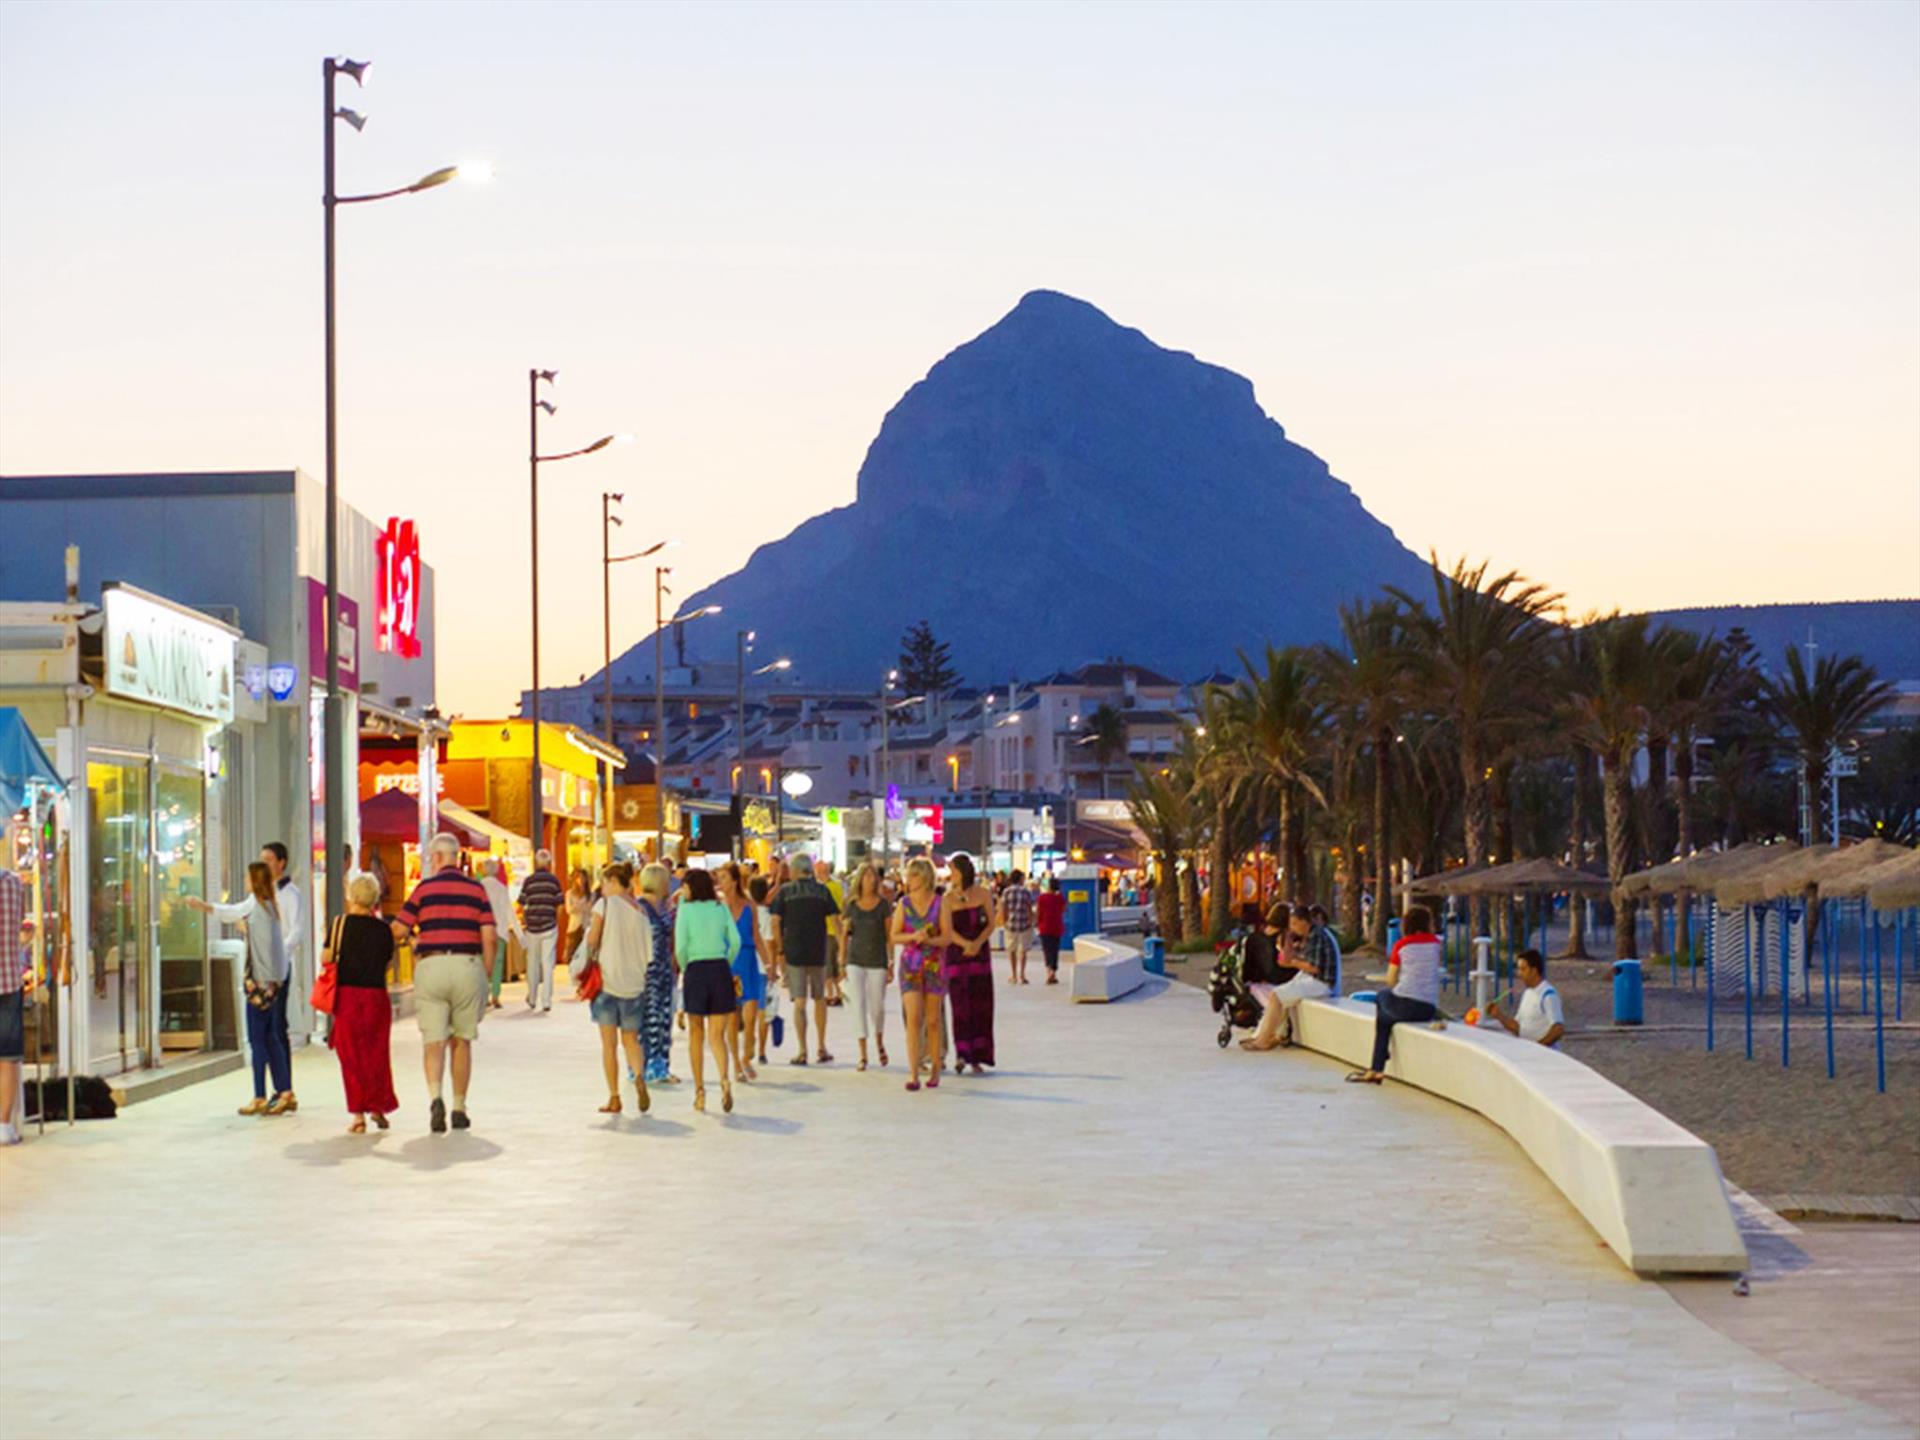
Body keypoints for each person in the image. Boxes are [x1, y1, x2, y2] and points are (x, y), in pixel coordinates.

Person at [391, 832, 496, 1132]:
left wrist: (413, 937)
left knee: (433, 1041)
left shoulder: (424, 890)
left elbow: (399, 929)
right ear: (457, 857)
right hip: (467, 965)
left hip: (432, 965)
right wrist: (486, 976)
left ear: (437, 858)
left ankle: (436, 1097)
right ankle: (459, 1107)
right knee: (462, 1040)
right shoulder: (476, 890)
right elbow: (489, 937)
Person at [186, 862, 293, 1116]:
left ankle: (260, 1094)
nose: (244, 880)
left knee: (258, 1039)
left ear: (254, 880)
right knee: (271, 1037)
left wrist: (205, 907)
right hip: (272, 981)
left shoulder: (257, 906)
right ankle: (284, 1090)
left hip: (259, 983)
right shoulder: (269, 906)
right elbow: (238, 916)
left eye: (247, 877)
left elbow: (234, 914)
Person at [323, 872, 398, 1132]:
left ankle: (358, 1115)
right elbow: (388, 963)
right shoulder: (384, 930)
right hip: (376, 997)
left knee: (351, 1056)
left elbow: (326, 957)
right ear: (374, 898)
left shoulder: (340, 925)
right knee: (376, 1054)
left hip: (348, 996)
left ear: (352, 896)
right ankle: (377, 1106)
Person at [578, 863, 652, 1115]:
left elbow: (593, 939)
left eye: (604, 882)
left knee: (609, 1044)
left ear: (612, 881)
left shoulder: (605, 905)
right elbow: (648, 953)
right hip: (634, 983)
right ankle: (639, 1075)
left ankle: (614, 1096)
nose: (602, 888)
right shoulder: (640, 911)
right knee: (631, 1039)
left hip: (607, 982)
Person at [1348, 905, 1443, 1084]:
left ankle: (1377, 1066)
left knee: (1381, 998)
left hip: (1405, 1006)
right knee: (1384, 1018)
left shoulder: (1401, 945)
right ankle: (1377, 1065)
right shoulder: (1436, 944)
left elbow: (1390, 979)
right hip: (1428, 1008)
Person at [673, 868, 740, 1113]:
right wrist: (726, 962)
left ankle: (700, 1091)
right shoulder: (720, 908)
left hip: (696, 969)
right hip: (719, 968)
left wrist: (685, 967)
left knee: (696, 1034)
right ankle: (724, 1079)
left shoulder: (686, 910)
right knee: (717, 1036)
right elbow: (735, 942)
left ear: (692, 887)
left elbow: (680, 947)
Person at [771, 853, 840, 1065]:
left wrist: (780, 949)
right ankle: (821, 1046)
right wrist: (841, 948)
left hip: (794, 951)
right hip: (818, 950)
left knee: (799, 1002)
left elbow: (775, 922)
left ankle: (802, 1050)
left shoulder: (785, 891)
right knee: (820, 998)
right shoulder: (822, 890)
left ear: (795, 870)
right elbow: (835, 920)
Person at [1243, 904, 1337, 1051]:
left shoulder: (1317, 936)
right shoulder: (1308, 937)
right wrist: (1288, 940)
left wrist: (1292, 963)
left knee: (1277, 996)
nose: (1292, 927)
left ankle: (1263, 1040)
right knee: (1279, 996)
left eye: (1294, 923)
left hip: (1320, 982)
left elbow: (1315, 967)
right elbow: (1292, 956)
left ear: (1304, 921)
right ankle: (1268, 1035)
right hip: (1310, 978)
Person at [890, 857, 946, 1091]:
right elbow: (894, 935)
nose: (908, 880)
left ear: (923, 877)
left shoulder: (940, 903)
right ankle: (913, 1073)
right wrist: (913, 936)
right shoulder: (904, 904)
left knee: (933, 1020)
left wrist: (929, 939)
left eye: (912, 875)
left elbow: (947, 937)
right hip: (910, 965)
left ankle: (935, 1068)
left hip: (934, 965)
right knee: (913, 1018)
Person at [943, 854, 996, 1074]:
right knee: (960, 1006)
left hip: (979, 956)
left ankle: (979, 1056)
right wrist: (966, 944)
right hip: (957, 956)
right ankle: (962, 1053)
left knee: (981, 1005)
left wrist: (977, 943)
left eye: (954, 871)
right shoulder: (947, 899)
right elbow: (947, 930)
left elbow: (991, 923)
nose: (951, 875)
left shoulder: (983, 894)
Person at [716, 863, 762, 1083]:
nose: (720, 882)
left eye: (724, 878)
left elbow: (756, 935)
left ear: (734, 881)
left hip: (748, 960)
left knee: (751, 1014)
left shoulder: (749, 906)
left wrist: (769, 963)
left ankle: (747, 1052)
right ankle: (736, 1062)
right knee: (732, 1017)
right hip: (729, 963)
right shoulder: (718, 907)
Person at [843, 863, 892, 1071]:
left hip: (877, 959)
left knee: (877, 1006)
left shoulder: (883, 905)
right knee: (858, 1004)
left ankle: (879, 1040)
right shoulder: (852, 905)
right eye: (867, 876)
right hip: (855, 959)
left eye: (873, 876)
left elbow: (889, 935)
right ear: (860, 880)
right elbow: (845, 933)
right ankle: (862, 1052)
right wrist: (841, 959)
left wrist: (891, 961)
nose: (871, 879)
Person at [261, 842, 310, 1040]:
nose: (264, 864)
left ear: (281, 863)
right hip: (262, 962)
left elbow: (297, 930)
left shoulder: (291, 894)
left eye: (269, 860)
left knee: (277, 1020)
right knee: (265, 1021)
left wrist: (282, 950)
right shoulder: (263, 892)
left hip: (279, 962)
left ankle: (282, 1059)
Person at [0, 856, 32, 1145]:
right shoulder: (13, 883)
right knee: (8, 1058)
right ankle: (4, 1125)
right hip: (8, 980)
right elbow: (19, 925)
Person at [636, 863, 677, 1084]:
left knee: (663, 1017)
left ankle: (660, 1063)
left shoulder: (662, 907)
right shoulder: (640, 907)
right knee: (649, 1018)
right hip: (647, 971)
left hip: (663, 970)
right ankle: (646, 1065)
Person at [1485, 949, 1566, 1047]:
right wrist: (1498, 1015)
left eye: (1523, 969)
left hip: (1543, 1054)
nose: (1519, 973)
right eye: (1519, 969)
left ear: (1534, 971)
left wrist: (1539, 1047)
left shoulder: (1548, 995)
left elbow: (1558, 1029)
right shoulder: (1528, 993)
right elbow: (1518, 1027)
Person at [517, 849, 564, 1012]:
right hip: (549, 927)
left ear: (536, 862)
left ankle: (532, 997)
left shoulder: (529, 881)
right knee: (547, 963)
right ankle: (546, 1001)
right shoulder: (554, 881)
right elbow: (560, 904)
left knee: (532, 963)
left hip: (532, 928)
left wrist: (526, 919)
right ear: (549, 863)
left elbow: (521, 903)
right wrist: (555, 920)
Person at [478, 858, 519, 1010]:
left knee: (482, 963)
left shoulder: (479, 888)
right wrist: (520, 935)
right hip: (500, 931)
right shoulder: (502, 888)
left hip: (482, 930)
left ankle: (484, 995)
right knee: (497, 963)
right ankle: (495, 995)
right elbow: (509, 912)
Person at [749, 875, 782, 1064]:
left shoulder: (746, 913)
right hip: (763, 968)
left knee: (747, 1008)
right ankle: (761, 1050)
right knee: (764, 1010)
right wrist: (772, 967)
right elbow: (770, 944)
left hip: (747, 966)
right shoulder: (767, 916)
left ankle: (748, 1043)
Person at [815, 860, 848, 1006]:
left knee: (827, 966)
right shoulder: (838, 885)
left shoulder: (821, 889)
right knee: (837, 963)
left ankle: (829, 994)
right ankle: (840, 993)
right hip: (838, 930)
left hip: (826, 930)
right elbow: (843, 905)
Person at [999, 870, 1035, 985]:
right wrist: (1031, 921)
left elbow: (1004, 908)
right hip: (1024, 923)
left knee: (1012, 950)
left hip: (1010, 924)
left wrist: (1004, 921)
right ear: (1020, 879)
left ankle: (1013, 975)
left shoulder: (1006, 891)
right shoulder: (1026, 891)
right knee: (1023, 950)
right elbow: (1029, 908)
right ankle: (1022, 975)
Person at [1035, 875, 1066, 984]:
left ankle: (1049, 972)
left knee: (1047, 950)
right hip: (1057, 926)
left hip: (1044, 927)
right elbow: (1064, 910)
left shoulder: (1042, 897)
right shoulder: (1060, 898)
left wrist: (1037, 923)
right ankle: (1053, 971)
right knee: (1055, 950)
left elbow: (1038, 912)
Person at [564, 867, 595, 971]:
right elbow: (569, 909)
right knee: (572, 952)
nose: (581, 880)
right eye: (578, 877)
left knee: (586, 953)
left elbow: (591, 909)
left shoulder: (591, 894)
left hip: (586, 926)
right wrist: (583, 907)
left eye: (583, 877)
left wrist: (578, 907)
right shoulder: (569, 894)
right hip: (574, 926)